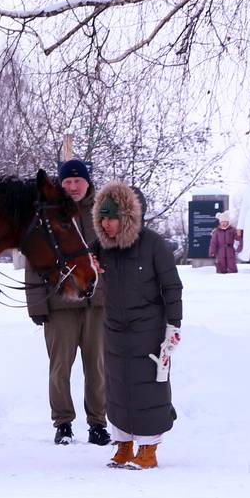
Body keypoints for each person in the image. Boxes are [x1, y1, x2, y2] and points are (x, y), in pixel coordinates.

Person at [91, 182, 183, 470]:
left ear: (128, 217)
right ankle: (124, 445)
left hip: (149, 330)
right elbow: (78, 271)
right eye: (102, 218)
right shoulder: (99, 250)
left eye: (112, 218)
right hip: (114, 329)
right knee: (117, 389)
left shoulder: (154, 245)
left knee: (148, 389)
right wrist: (89, 266)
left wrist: (174, 325)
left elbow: (172, 287)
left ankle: (148, 450)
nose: (106, 224)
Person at [25, 157, 109, 446]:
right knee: (60, 368)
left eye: (78, 181)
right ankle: (63, 424)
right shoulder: (50, 213)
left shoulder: (102, 213)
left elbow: (116, 251)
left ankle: (98, 423)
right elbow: (33, 262)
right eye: (68, 181)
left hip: (97, 304)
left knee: (96, 367)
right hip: (60, 305)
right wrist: (37, 306)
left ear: (88, 183)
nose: (73, 186)